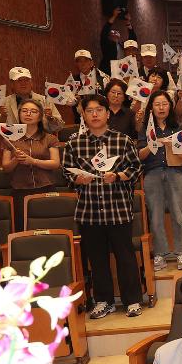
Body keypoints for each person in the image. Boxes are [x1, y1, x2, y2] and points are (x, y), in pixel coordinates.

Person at [62, 94, 144, 319]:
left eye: (99, 110)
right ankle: (104, 301)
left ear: (108, 113)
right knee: (97, 260)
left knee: (125, 257)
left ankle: (133, 300)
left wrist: (117, 176)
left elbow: (136, 169)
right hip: (89, 212)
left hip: (118, 209)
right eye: (89, 111)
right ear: (84, 115)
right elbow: (66, 173)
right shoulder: (74, 143)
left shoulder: (122, 140)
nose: (95, 114)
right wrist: (78, 179)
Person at [137, 90, 182, 270]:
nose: (161, 108)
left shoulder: (179, 127)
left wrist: (172, 144)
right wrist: (152, 145)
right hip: (152, 174)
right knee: (155, 215)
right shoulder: (145, 129)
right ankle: (160, 254)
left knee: (178, 213)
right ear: (151, 108)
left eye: (165, 104)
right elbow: (139, 155)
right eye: (157, 104)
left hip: (176, 172)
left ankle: (181, 252)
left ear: (170, 107)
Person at [0, 98, 59, 231]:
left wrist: (33, 161)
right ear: (19, 114)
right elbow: (6, 168)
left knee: (49, 229)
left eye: (33, 111)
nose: (28, 114)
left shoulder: (50, 138)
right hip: (20, 191)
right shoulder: (10, 139)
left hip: (46, 188)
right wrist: (16, 159)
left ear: (40, 116)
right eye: (24, 111)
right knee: (24, 230)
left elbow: (55, 163)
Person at [0, 66, 63, 134]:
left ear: (31, 83)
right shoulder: (3, 103)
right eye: (19, 80)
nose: (23, 83)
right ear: (12, 84)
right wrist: (3, 117)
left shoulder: (45, 101)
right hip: (13, 141)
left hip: (40, 140)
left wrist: (51, 119)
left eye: (27, 80)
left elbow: (59, 127)